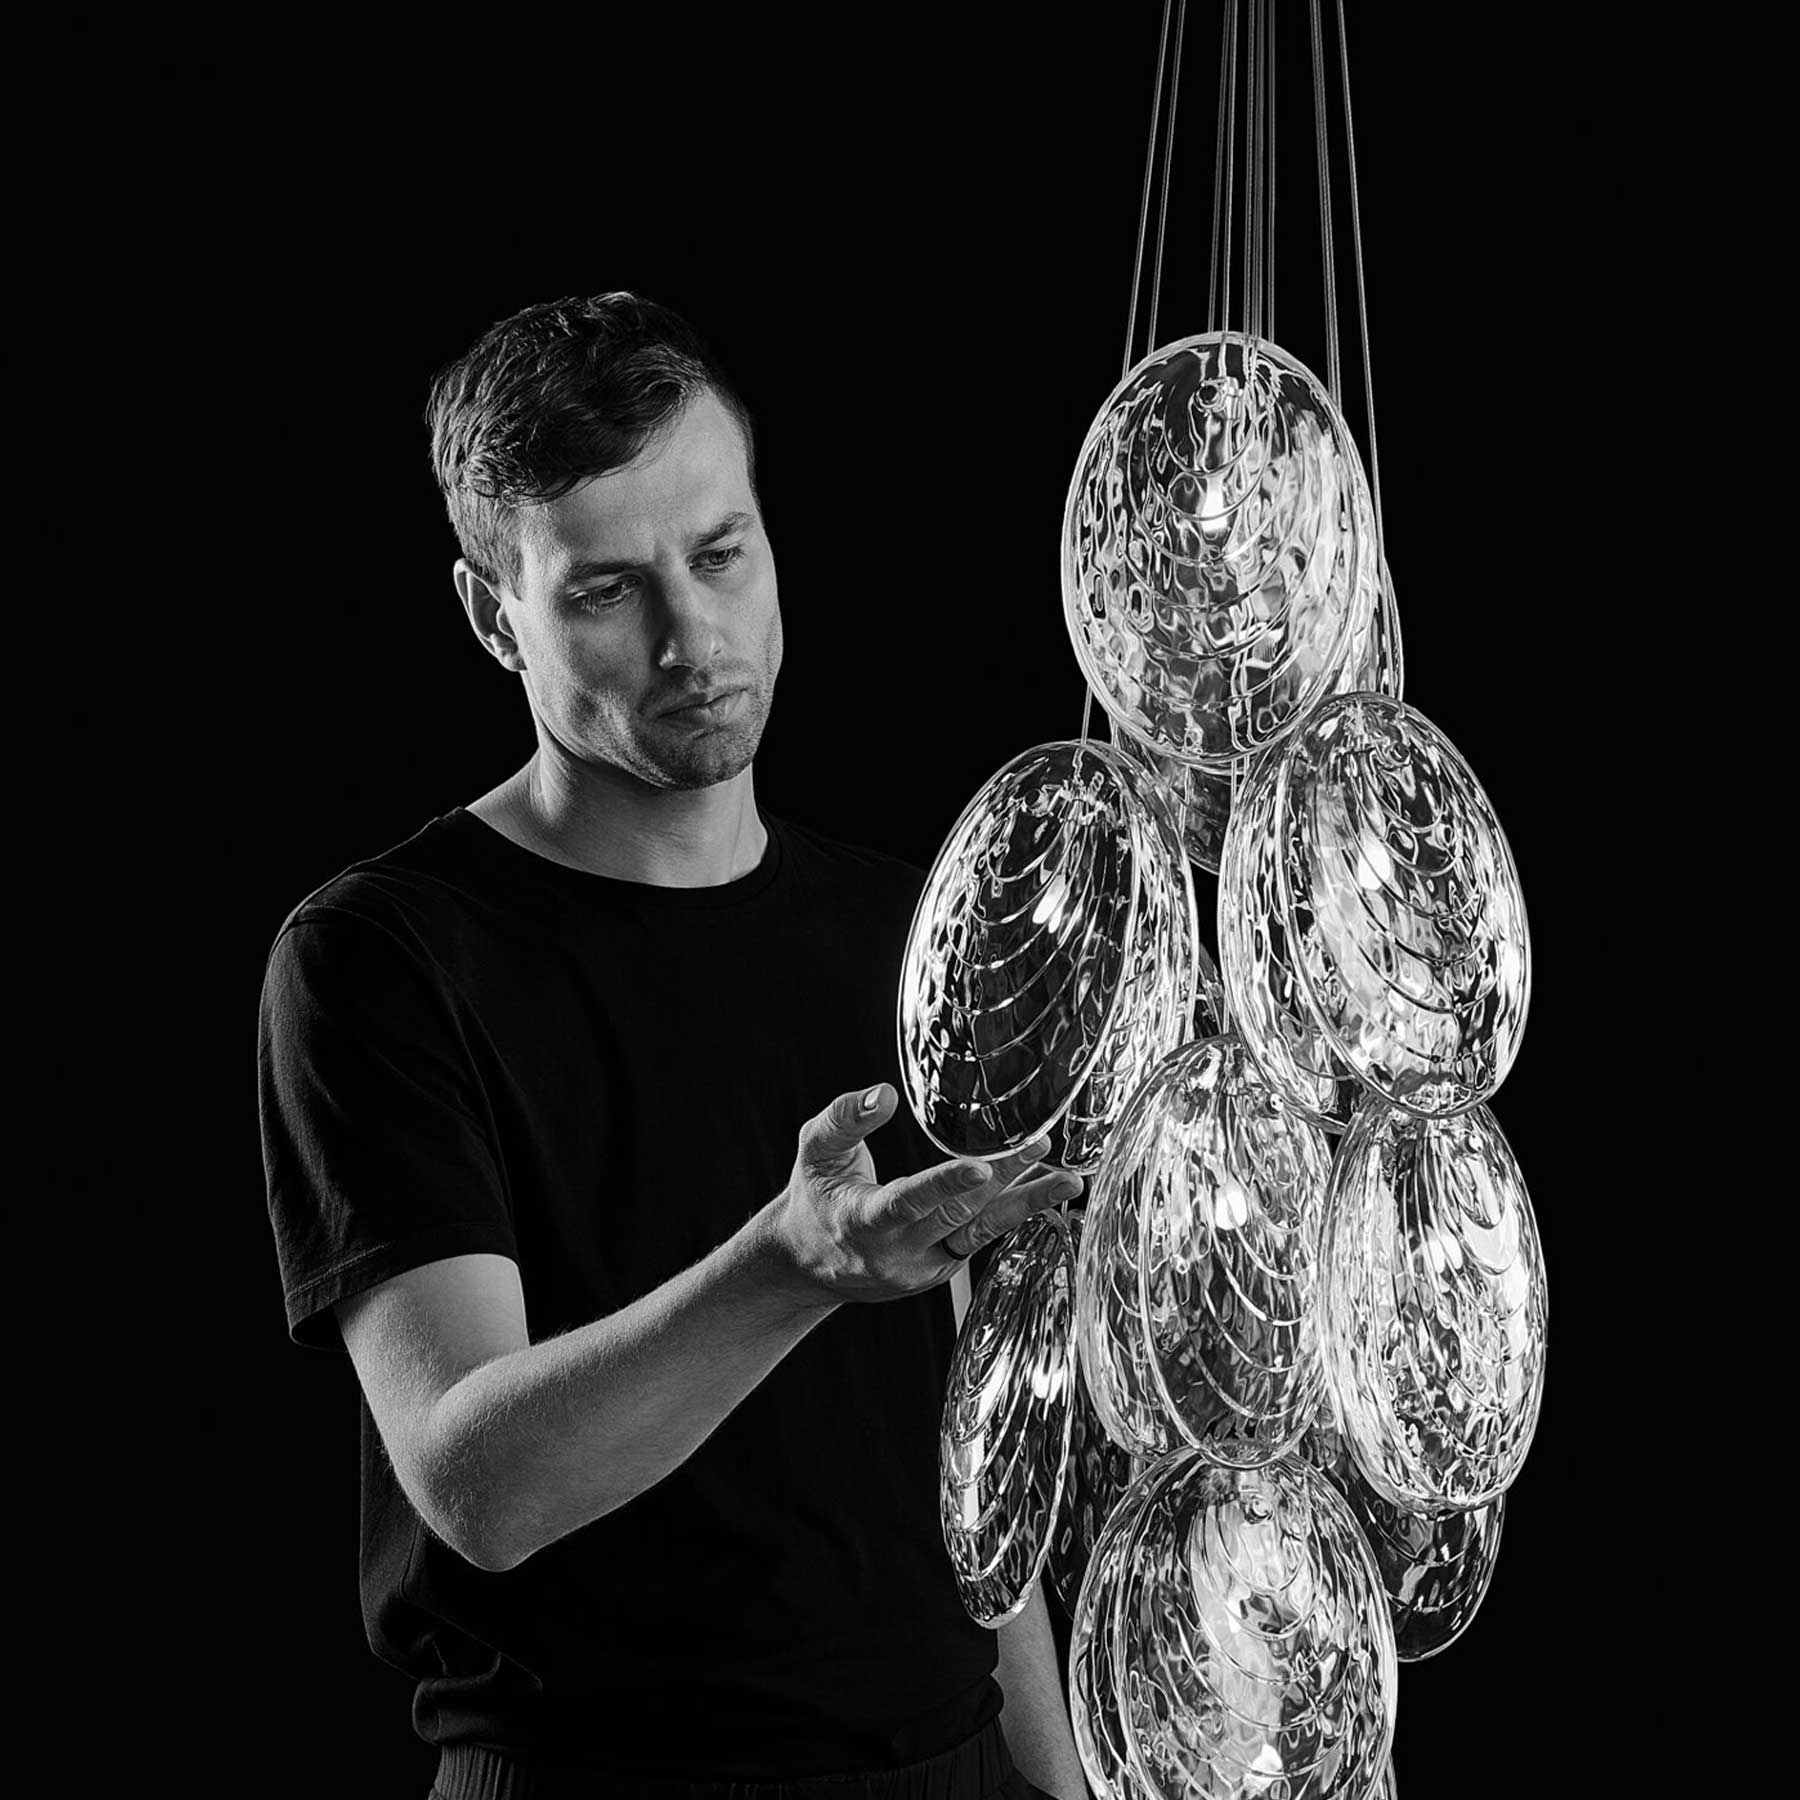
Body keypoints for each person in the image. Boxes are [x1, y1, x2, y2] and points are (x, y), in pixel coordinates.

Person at [257, 291, 1090, 1799]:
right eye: (604, 591)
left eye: (720, 555)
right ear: (491, 615)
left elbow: (972, 1449)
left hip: (943, 1757)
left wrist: (1054, 1776)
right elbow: (479, 1486)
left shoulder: (905, 925)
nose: (690, 639)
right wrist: (793, 1267)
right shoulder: (384, 958)